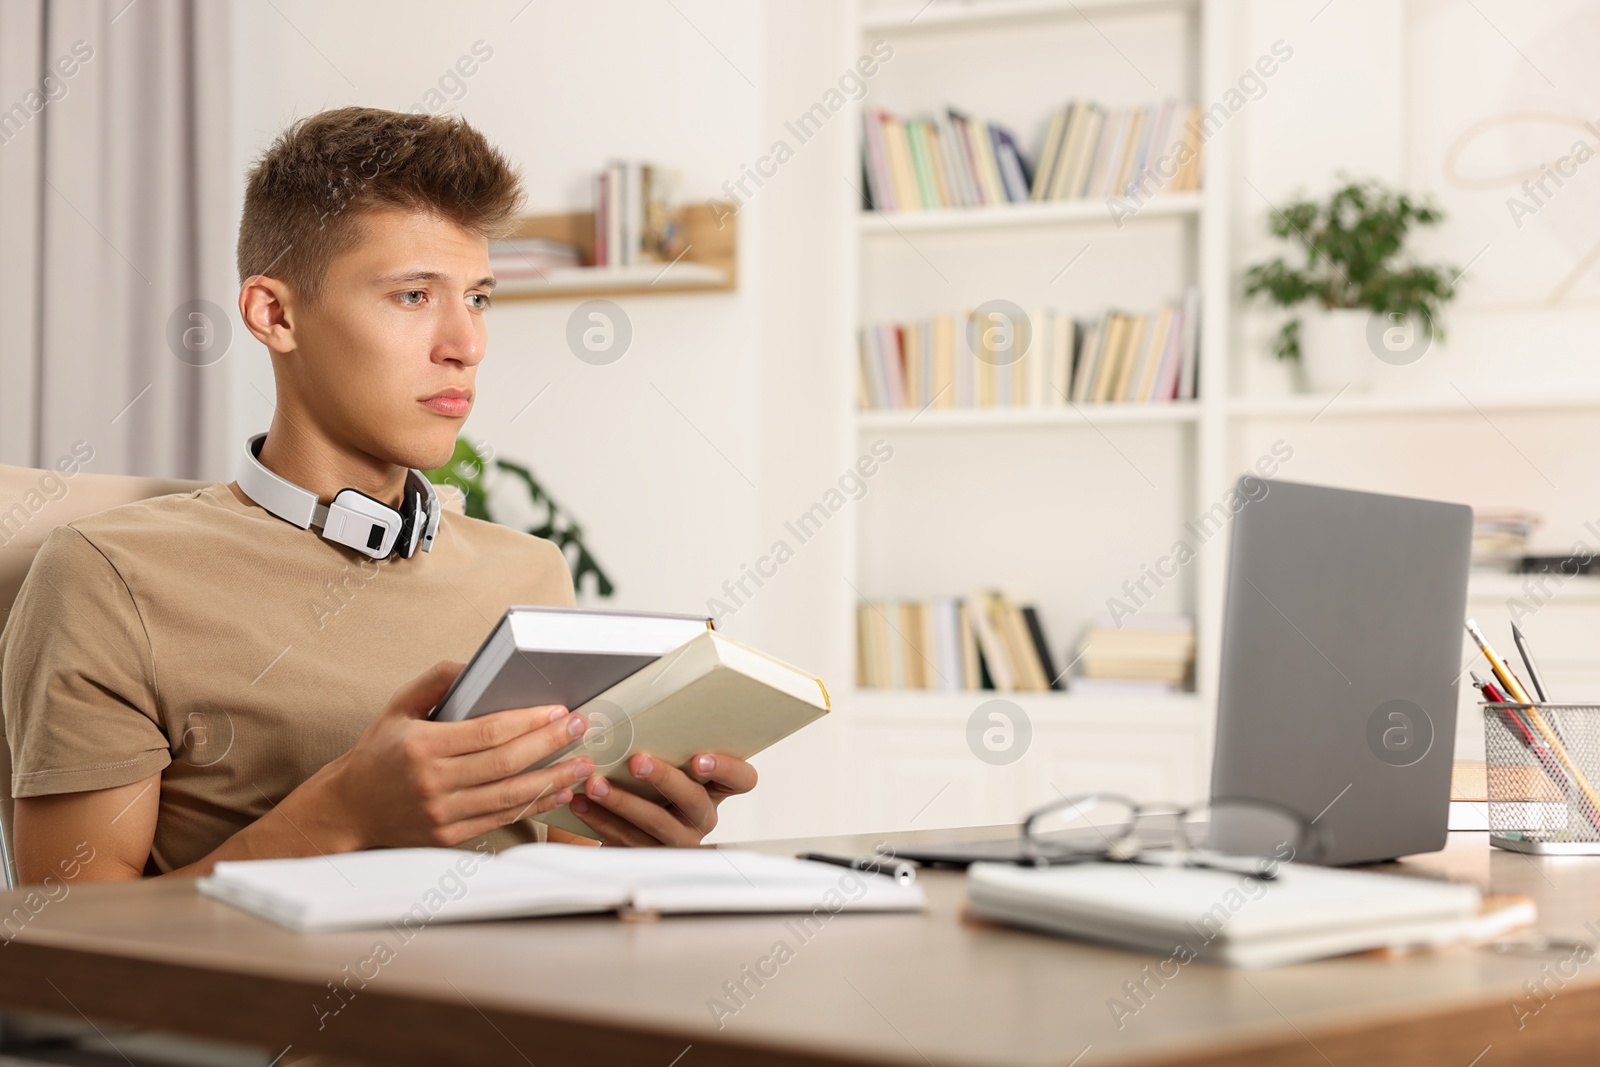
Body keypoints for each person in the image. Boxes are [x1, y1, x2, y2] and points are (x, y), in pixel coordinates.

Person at [0, 106, 756, 883]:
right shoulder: (106, 578)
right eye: (414, 296)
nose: (466, 345)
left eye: (480, 297)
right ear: (275, 314)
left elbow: (560, 881)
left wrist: (639, 844)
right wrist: (341, 818)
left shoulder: (529, 575)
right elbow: (65, 952)